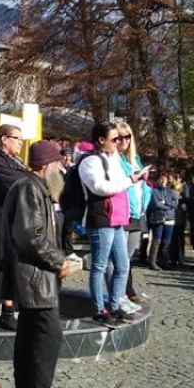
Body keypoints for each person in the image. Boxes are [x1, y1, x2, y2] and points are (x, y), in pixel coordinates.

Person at [1, 141, 72, 388]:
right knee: (47, 335)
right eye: (58, 164)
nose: (62, 169)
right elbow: (31, 236)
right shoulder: (29, 188)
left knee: (30, 333)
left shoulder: (34, 188)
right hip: (34, 275)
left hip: (34, 274)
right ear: (46, 166)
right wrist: (59, 260)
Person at [79, 122, 141, 326]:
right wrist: (129, 180)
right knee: (99, 266)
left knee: (123, 265)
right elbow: (100, 187)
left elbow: (119, 182)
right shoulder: (90, 162)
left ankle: (115, 305)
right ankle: (99, 308)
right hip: (101, 219)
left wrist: (131, 179)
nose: (118, 143)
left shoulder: (114, 159)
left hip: (118, 218)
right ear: (101, 140)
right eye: (114, 139)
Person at [0, 124, 29, 331]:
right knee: (7, 265)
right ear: (4, 139)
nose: (20, 143)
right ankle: (7, 312)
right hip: (0, 219)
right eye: (16, 138)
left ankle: (14, 307)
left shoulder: (16, 160)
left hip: (15, 219)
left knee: (15, 265)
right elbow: (15, 182)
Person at [113, 122, 150, 303]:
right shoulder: (114, 159)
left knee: (128, 257)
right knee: (119, 259)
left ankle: (127, 290)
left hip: (137, 212)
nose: (124, 140)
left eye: (128, 136)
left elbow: (141, 188)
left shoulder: (135, 159)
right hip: (123, 212)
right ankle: (120, 295)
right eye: (120, 137)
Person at [146, 171, 177, 270]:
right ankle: (153, 262)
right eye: (161, 178)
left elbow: (175, 203)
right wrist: (168, 205)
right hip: (157, 218)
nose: (163, 180)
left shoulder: (171, 191)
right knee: (157, 240)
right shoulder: (153, 191)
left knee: (166, 241)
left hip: (170, 218)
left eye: (165, 178)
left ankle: (164, 262)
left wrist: (165, 202)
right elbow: (156, 204)